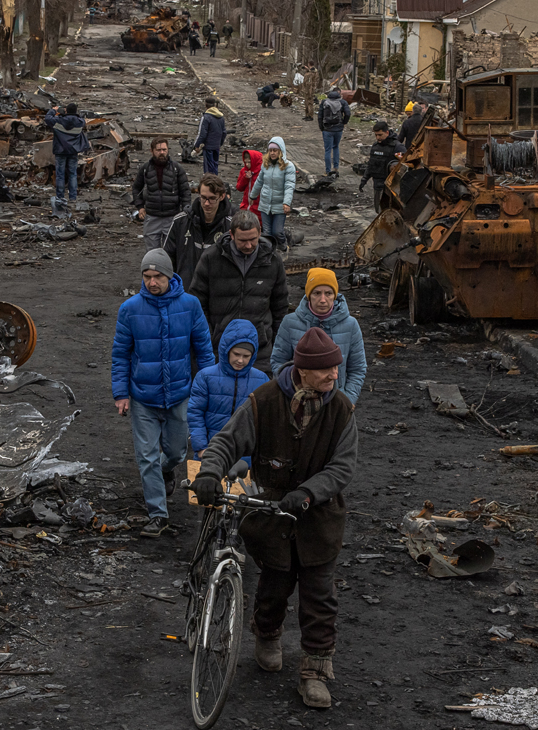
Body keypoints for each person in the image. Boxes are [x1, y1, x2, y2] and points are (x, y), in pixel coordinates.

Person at [193, 327, 358, 710]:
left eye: (336, 367)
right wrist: (208, 472)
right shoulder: (264, 401)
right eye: (327, 369)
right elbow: (226, 441)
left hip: (320, 520)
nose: (335, 374)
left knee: (320, 598)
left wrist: (308, 493)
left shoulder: (341, 410)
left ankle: (315, 672)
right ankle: (266, 634)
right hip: (271, 517)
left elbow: (343, 467)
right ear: (302, 370)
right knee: (273, 587)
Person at [112, 249, 216, 538]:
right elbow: (120, 354)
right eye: (147, 276)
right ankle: (158, 514)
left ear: (170, 276)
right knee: (146, 457)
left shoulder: (190, 306)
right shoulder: (130, 310)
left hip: (180, 393)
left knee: (176, 452)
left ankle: (165, 470)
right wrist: (121, 394)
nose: (152, 282)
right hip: (142, 396)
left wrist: (208, 387)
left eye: (158, 276)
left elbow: (204, 350)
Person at [188, 210, 290, 354]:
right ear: (231, 235)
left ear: (260, 233)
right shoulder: (211, 258)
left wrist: (276, 344)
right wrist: (210, 336)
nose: (248, 245)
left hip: (260, 349)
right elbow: (197, 301)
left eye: (253, 239)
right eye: (242, 240)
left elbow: (280, 306)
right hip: (219, 347)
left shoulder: (273, 261)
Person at [272, 268, 366, 405]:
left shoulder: (350, 325)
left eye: (328, 293)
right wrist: (291, 393)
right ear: (309, 295)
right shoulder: (290, 322)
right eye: (317, 293)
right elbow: (278, 362)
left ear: (335, 295)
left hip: (336, 402)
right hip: (297, 401)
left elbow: (357, 368)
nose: (323, 300)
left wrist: (346, 400)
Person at [189, 318, 270, 461]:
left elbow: (266, 420)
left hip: (246, 458)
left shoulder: (262, 380)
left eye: (246, 356)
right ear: (226, 350)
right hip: (210, 452)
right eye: (236, 354)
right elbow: (195, 413)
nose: (240, 360)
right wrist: (201, 447)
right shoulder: (205, 377)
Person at [166, 174, 236, 282]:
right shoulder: (180, 222)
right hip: (185, 291)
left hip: (216, 293)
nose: (207, 203)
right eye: (203, 198)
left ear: (222, 197)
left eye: (212, 198)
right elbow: (167, 258)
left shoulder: (231, 226)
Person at [132, 138, 191, 248]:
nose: (162, 152)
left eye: (164, 149)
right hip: (152, 218)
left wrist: (185, 212)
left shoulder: (177, 169)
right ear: (152, 151)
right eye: (158, 150)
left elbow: (185, 192)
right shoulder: (145, 169)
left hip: (172, 217)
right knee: (152, 253)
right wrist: (140, 207)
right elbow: (136, 188)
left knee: (170, 253)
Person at [249, 137, 297, 250]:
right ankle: (269, 254)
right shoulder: (266, 165)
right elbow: (259, 181)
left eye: (275, 150)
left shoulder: (288, 167)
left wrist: (286, 203)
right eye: (270, 150)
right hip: (265, 204)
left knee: (277, 231)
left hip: (279, 205)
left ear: (280, 151)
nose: (272, 153)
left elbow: (289, 186)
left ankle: (284, 248)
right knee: (267, 233)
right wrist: (253, 195)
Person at [42, 103, 89, 217]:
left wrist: (54, 110)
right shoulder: (80, 122)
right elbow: (82, 119)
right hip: (73, 151)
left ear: (66, 110)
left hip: (60, 151)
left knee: (60, 175)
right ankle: (72, 197)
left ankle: (60, 197)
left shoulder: (58, 121)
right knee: (72, 174)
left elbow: (47, 119)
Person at [360, 121, 404, 209]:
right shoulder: (375, 146)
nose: (378, 138)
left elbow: (405, 167)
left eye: (380, 135)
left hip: (391, 187)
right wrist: (364, 179)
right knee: (378, 210)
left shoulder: (397, 147)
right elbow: (371, 164)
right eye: (376, 135)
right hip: (377, 185)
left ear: (387, 132)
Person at [317, 89, 350, 177]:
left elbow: (320, 116)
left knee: (328, 150)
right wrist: (344, 123)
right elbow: (348, 113)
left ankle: (327, 171)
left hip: (327, 129)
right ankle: (336, 168)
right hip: (338, 129)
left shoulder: (324, 102)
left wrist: (322, 127)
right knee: (336, 147)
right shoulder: (343, 102)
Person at [194, 99, 227, 175]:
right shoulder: (221, 117)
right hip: (216, 146)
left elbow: (202, 133)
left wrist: (197, 145)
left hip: (208, 147)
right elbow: (224, 133)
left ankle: (210, 184)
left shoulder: (206, 117)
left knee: (208, 169)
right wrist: (220, 143)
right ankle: (215, 182)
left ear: (206, 105)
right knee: (215, 166)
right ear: (214, 105)